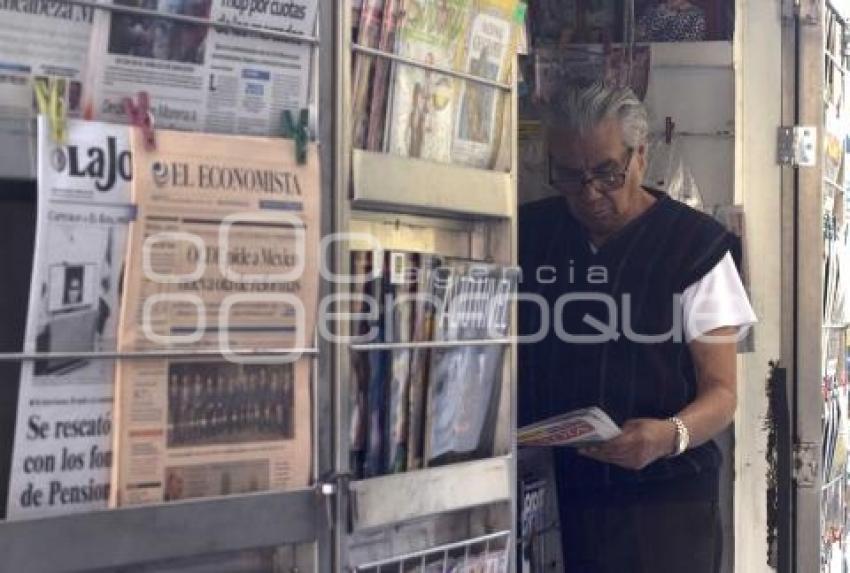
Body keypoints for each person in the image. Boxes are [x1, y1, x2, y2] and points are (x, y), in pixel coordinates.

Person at [518, 81, 756, 573]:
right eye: (569, 176)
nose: (589, 193)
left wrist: (668, 436)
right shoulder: (529, 234)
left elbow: (723, 394)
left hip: (662, 509)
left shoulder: (695, 248)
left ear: (640, 156)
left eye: (607, 173)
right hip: (547, 497)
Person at [636, 0, 708, 42]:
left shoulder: (696, 14)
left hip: (679, 62)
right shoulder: (652, 10)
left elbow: (693, 44)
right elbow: (638, 37)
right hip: (652, 60)